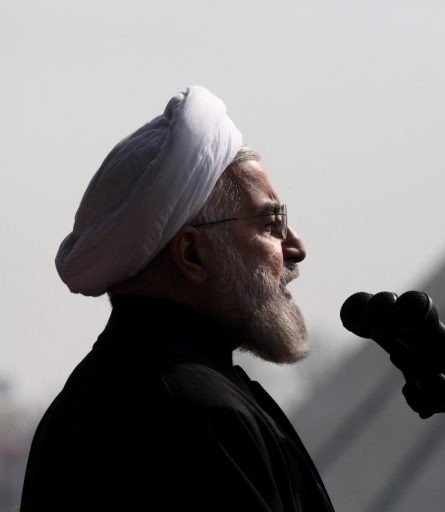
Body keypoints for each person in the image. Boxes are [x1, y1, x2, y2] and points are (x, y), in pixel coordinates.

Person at [21, 86, 335, 511]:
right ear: (191, 254)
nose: (295, 247)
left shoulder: (80, 407)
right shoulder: (197, 414)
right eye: (270, 223)